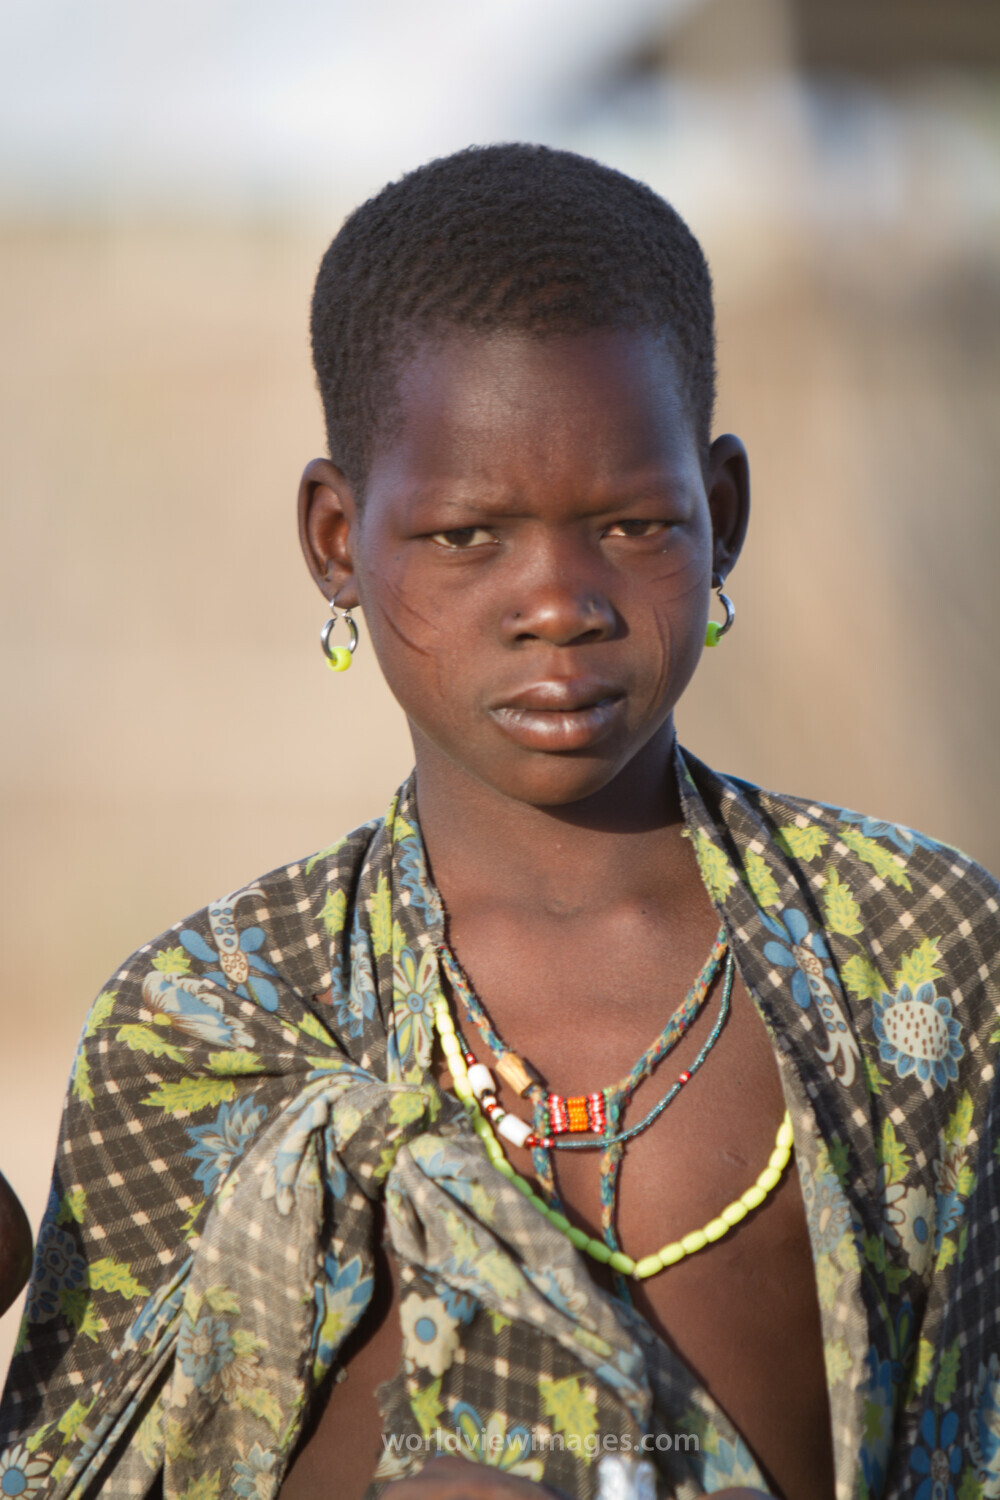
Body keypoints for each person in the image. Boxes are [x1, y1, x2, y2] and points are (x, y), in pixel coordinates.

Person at [1, 143, 998, 1500]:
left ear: (725, 514)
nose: (557, 601)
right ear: (337, 539)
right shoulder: (209, 1022)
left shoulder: (918, 954)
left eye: (635, 526)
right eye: (469, 536)